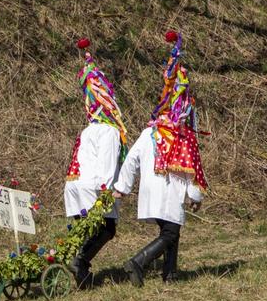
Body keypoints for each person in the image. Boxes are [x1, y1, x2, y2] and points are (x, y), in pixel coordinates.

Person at [113, 31, 207, 287]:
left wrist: (122, 187)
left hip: (151, 190)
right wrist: (195, 197)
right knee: (170, 232)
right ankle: (138, 261)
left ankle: (170, 274)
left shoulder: (150, 132)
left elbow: (131, 159)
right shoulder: (183, 137)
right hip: (168, 191)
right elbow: (190, 171)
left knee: (170, 230)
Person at [64, 38, 128, 288]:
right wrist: (108, 191)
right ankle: (81, 263)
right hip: (94, 188)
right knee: (107, 229)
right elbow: (108, 164)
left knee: (82, 232)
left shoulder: (87, 130)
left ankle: (78, 269)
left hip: (75, 187)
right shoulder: (110, 132)